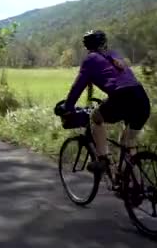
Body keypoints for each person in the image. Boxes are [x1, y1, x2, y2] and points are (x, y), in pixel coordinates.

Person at [62, 30, 150, 173]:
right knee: (128, 142)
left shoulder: (90, 60)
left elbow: (77, 87)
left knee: (96, 117)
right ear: (104, 43)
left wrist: (68, 106)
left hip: (122, 97)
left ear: (87, 47)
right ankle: (134, 184)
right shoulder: (115, 55)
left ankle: (103, 159)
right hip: (141, 97)